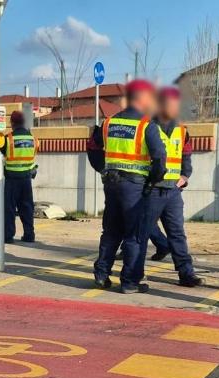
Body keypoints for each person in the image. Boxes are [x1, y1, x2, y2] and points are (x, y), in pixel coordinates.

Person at [88, 79, 167, 294]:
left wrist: (102, 170)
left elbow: (93, 149)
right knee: (134, 235)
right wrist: (152, 180)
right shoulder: (146, 126)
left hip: (111, 184)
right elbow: (160, 159)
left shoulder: (107, 123)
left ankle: (101, 274)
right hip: (134, 186)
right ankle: (130, 282)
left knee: (111, 231)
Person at [147, 87, 204, 287]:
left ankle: (186, 274)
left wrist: (185, 175)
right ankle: (133, 275)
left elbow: (186, 155)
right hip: (152, 190)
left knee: (177, 233)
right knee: (141, 233)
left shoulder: (181, 130)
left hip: (172, 192)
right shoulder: (147, 126)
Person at [0, 110, 38, 244]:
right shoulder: (33, 139)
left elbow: (0, 151)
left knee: (9, 209)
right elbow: (33, 156)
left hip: (12, 179)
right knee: (27, 208)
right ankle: (29, 235)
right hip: (27, 179)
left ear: (12, 123)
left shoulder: (8, 138)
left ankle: (8, 236)